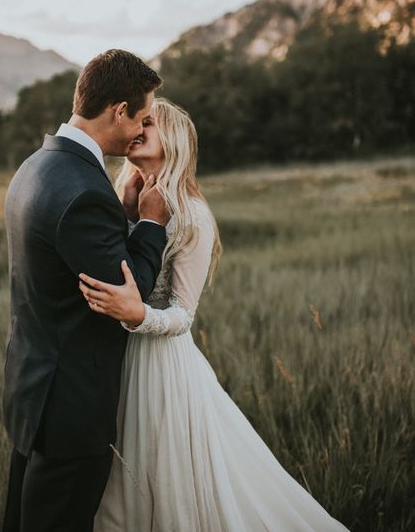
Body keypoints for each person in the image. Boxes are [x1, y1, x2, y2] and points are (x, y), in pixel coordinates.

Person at [78, 98, 350, 532]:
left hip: (161, 369)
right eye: (138, 120)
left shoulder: (192, 216)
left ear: (175, 142)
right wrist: (126, 215)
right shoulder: (120, 198)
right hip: (115, 360)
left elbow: (184, 315)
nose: (137, 128)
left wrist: (138, 315)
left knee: (167, 478)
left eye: (149, 123)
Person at [2, 49, 169, 532]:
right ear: (118, 110)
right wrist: (150, 224)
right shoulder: (83, 188)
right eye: (140, 117)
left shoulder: (36, 166)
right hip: (71, 408)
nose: (141, 131)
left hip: (31, 390)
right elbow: (125, 292)